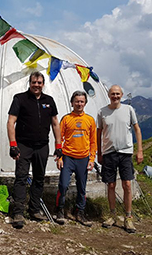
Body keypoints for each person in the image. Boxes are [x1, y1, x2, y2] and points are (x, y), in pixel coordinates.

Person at [7, 71, 61, 229]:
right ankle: (18, 213)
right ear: (29, 83)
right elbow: (11, 121)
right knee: (21, 177)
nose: (36, 85)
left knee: (39, 178)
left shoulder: (49, 101)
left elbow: (55, 123)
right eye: (33, 82)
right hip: (23, 145)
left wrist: (59, 146)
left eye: (39, 82)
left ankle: (35, 210)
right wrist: (13, 144)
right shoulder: (20, 99)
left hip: (42, 145)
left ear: (43, 84)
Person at [97, 85, 143, 233]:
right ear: (108, 95)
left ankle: (128, 217)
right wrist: (99, 152)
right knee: (110, 185)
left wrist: (139, 150)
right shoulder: (102, 112)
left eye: (117, 94)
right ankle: (112, 215)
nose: (115, 96)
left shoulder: (128, 110)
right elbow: (99, 133)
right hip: (109, 152)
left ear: (121, 95)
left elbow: (137, 129)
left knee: (127, 185)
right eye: (112, 94)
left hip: (125, 152)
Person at [54, 91, 97, 227]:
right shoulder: (66, 119)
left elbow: (93, 141)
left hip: (83, 158)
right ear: (72, 103)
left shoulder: (90, 120)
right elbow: (59, 139)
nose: (79, 104)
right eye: (77, 101)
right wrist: (59, 157)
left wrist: (92, 159)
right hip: (68, 157)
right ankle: (60, 210)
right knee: (63, 185)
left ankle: (80, 212)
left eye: (82, 101)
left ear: (85, 103)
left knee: (81, 187)